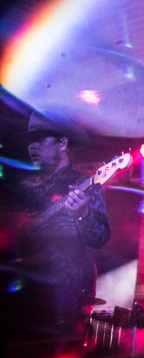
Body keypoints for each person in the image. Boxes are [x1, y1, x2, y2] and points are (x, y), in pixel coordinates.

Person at [2, 109, 110, 340]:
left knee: (53, 353)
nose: (32, 146)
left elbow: (100, 238)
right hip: (21, 288)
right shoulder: (24, 187)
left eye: (39, 139)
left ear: (62, 143)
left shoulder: (84, 184)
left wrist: (83, 213)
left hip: (61, 291)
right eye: (30, 141)